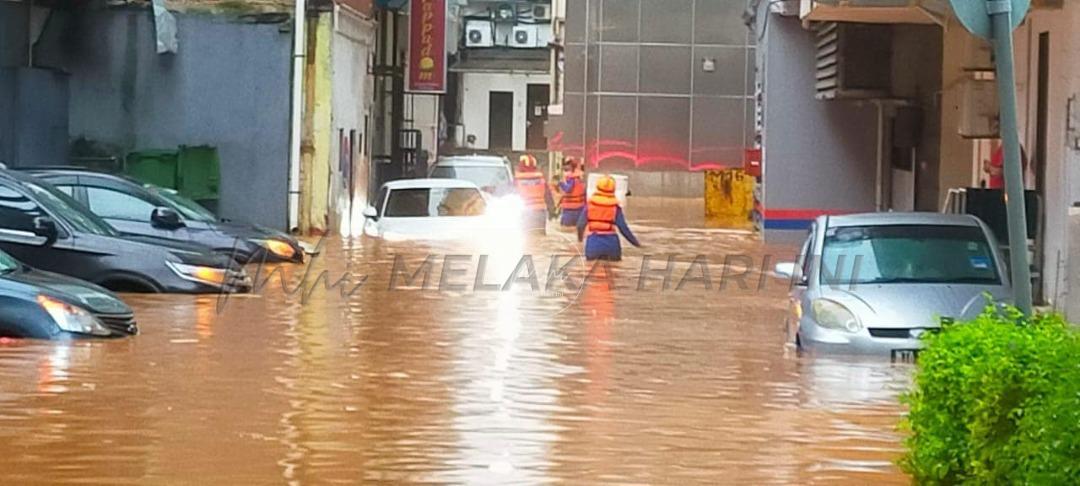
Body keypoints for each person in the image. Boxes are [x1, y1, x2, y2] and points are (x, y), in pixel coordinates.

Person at [577, 174, 640, 261]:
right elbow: (623, 228)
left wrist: (580, 240)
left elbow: (580, 225)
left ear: (598, 187)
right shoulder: (615, 207)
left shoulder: (589, 206)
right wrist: (636, 244)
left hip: (593, 245)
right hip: (612, 245)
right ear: (613, 189)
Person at [514, 154, 554, 233]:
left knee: (526, 237)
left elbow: (507, 194)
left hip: (525, 213)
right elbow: (548, 197)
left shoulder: (517, 181)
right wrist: (551, 211)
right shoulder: (541, 180)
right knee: (539, 236)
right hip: (540, 212)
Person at [558, 158, 586, 228]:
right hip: (580, 209)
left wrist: (560, 184)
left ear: (573, 169)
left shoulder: (572, 179)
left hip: (570, 210)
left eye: (567, 170)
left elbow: (568, 189)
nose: (565, 172)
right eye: (564, 170)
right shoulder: (580, 179)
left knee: (565, 227)